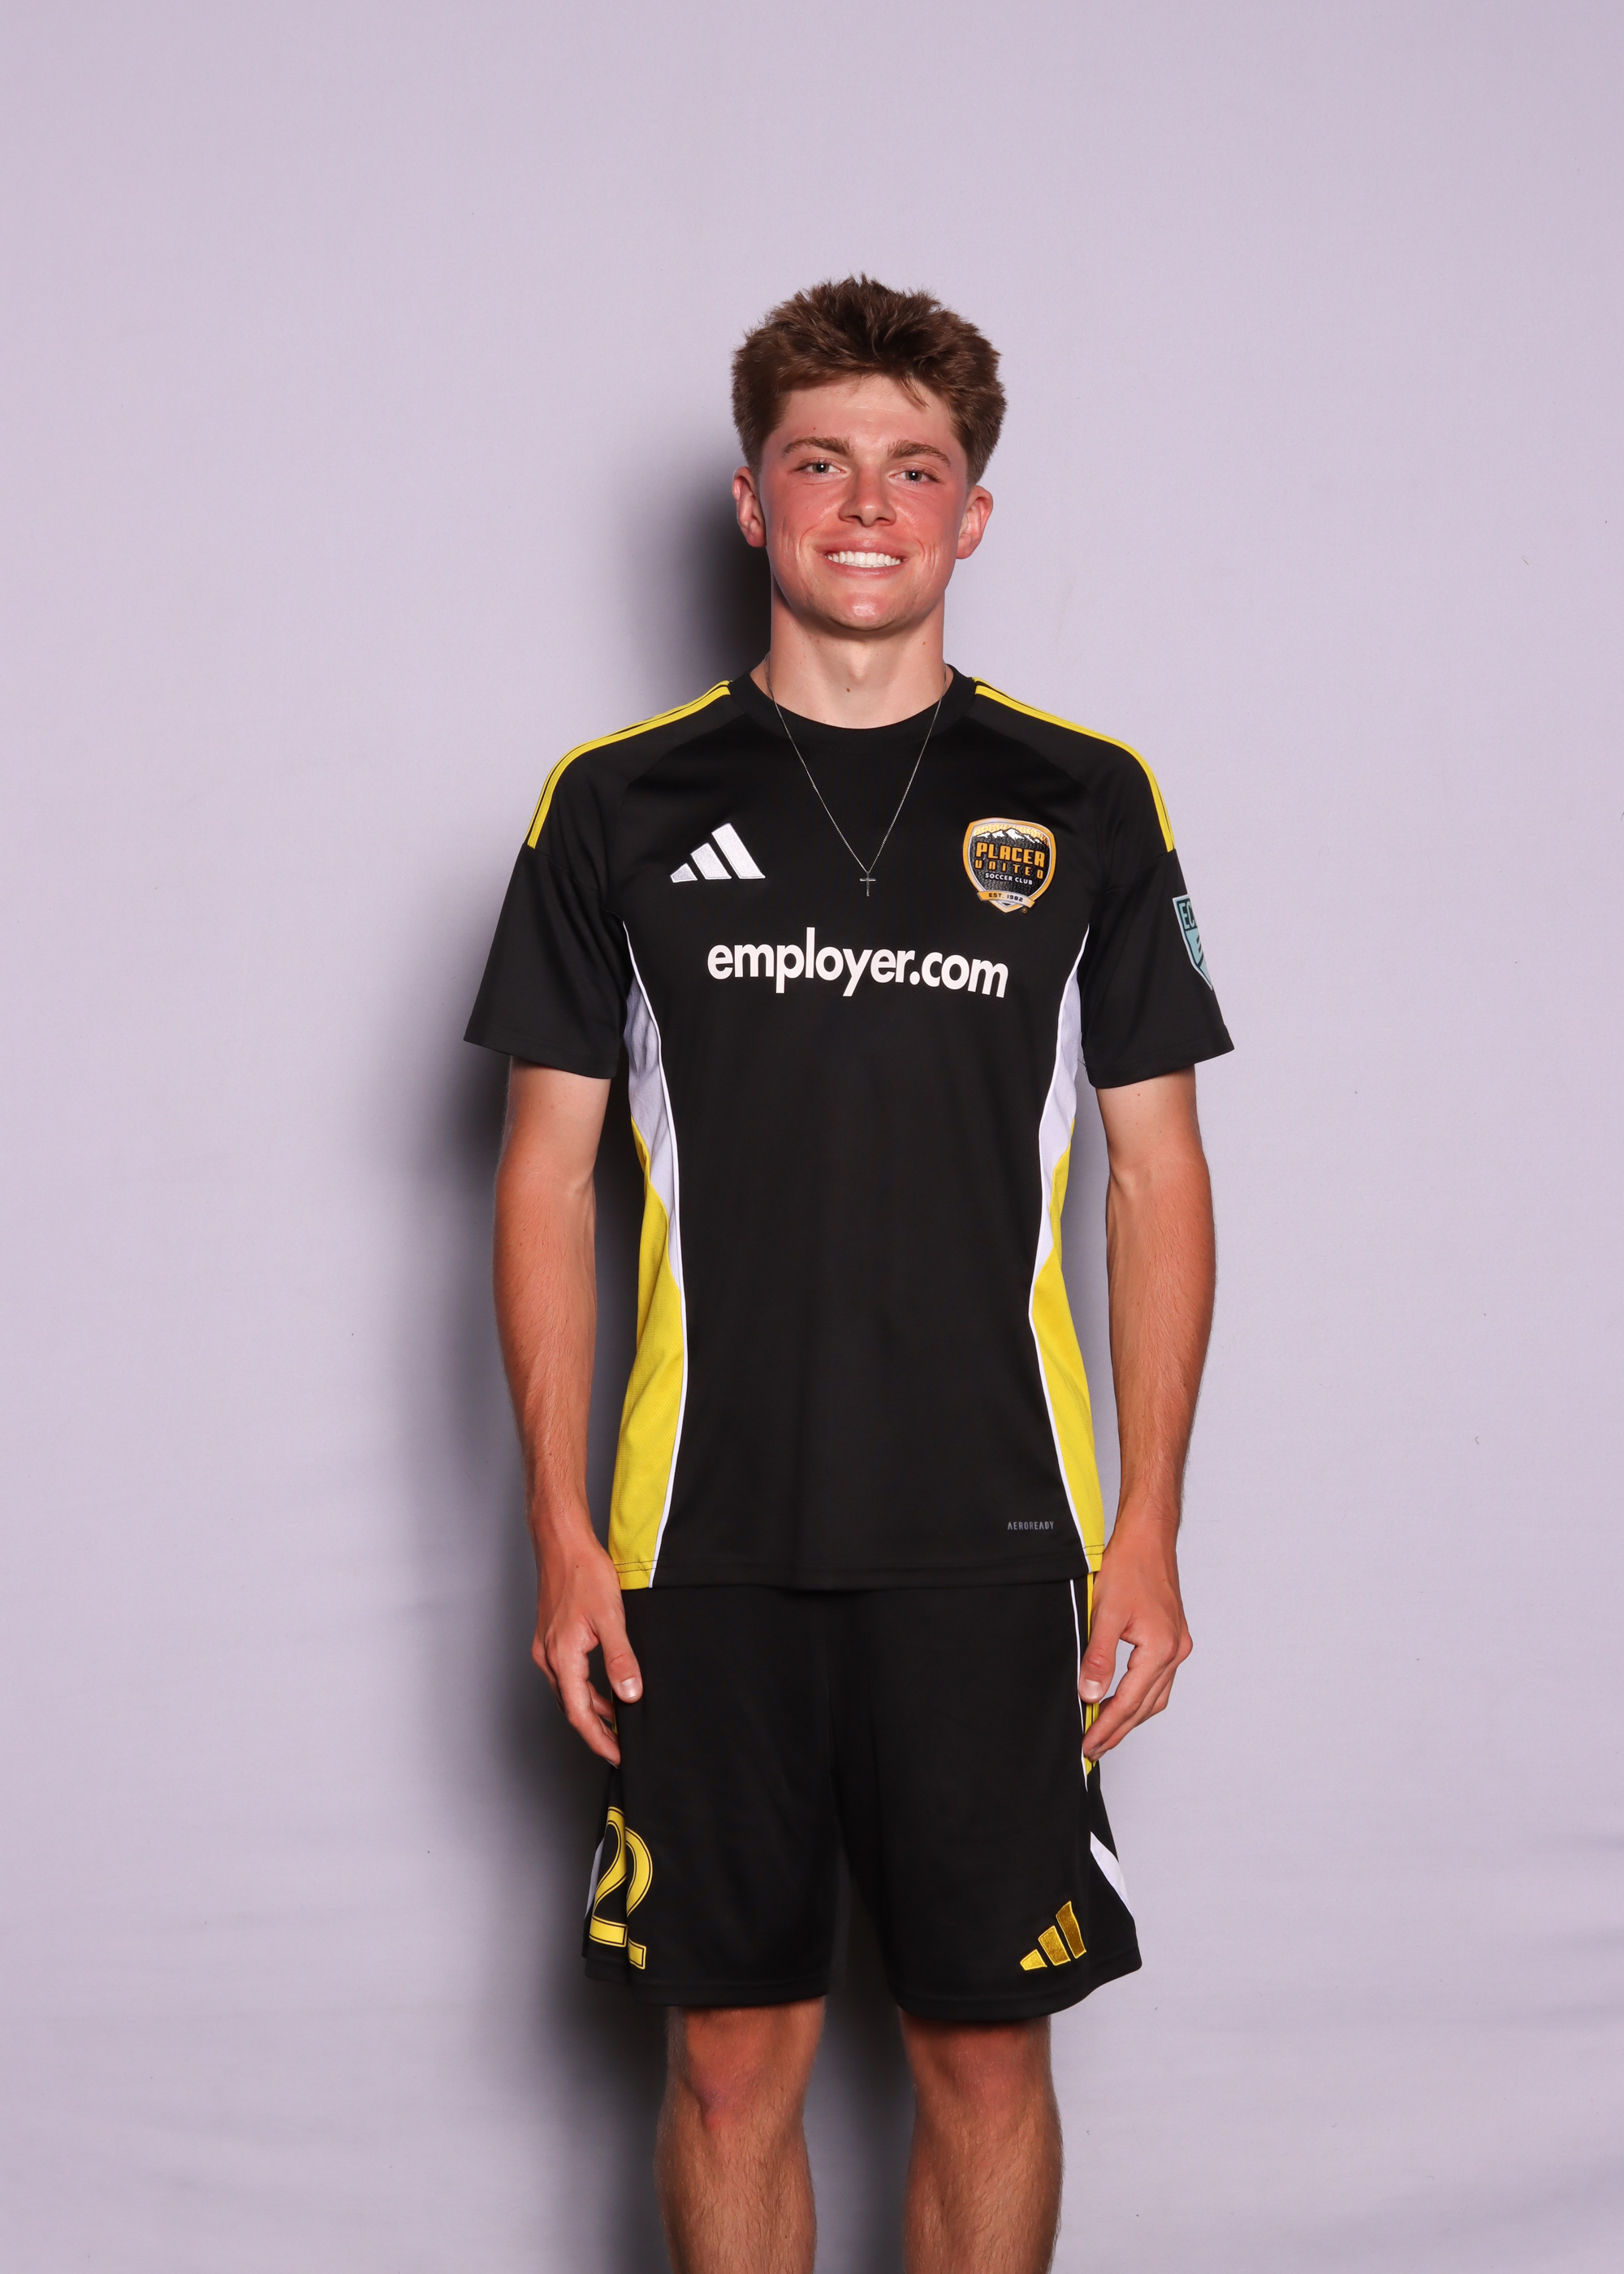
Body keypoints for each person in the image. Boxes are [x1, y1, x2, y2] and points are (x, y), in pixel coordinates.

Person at [465, 275, 1232, 2274]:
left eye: (914, 466)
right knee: (732, 2063)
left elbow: (1157, 1175)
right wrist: (559, 1529)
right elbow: (543, 1178)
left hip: (995, 1542)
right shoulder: (614, 803)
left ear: (973, 512)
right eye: (821, 462)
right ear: (752, 502)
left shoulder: (1086, 799)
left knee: (984, 2053)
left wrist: (1147, 1525)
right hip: (699, 1544)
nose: (867, 504)